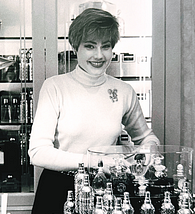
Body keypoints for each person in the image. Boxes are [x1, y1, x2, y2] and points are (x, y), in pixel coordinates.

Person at [28, 7, 160, 214]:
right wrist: (96, 162)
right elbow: (37, 153)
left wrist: (150, 151)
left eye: (105, 46)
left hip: (107, 190)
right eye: (90, 46)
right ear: (75, 48)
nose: (99, 55)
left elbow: (145, 137)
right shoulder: (55, 87)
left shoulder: (124, 91)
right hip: (60, 190)